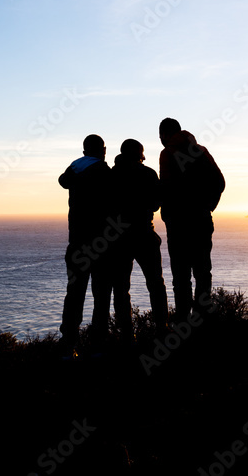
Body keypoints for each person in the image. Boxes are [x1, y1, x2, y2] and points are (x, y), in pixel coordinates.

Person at [158, 118, 225, 321]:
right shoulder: (200, 150)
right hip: (202, 220)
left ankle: (182, 322)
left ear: (166, 134)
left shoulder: (167, 153)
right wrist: (207, 206)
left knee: (181, 276)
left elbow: (167, 187)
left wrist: (168, 212)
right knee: (203, 271)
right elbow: (219, 181)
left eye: (160, 135)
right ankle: (202, 318)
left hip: (178, 224)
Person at [58, 134, 114, 353]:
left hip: (77, 242)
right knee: (101, 296)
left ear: (83, 152)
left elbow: (63, 181)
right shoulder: (104, 173)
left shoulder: (75, 170)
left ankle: (68, 344)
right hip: (102, 244)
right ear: (103, 150)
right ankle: (98, 345)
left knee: (74, 294)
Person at [111, 139, 169, 343]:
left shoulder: (112, 175)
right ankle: (162, 329)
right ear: (139, 155)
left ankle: (127, 334)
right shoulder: (148, 173)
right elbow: (156, 204)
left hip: (117, 238)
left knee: (120, 287)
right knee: (156, 283)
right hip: (145, 233)